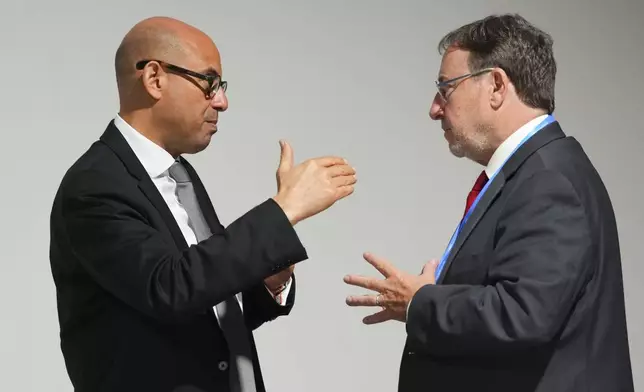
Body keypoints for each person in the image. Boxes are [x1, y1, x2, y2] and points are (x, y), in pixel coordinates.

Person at [49, 16, 356, 392]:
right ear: (155, 79)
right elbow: (169, 288)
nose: (222, 102)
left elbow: (206, 303)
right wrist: (284, 208)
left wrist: (267, 282)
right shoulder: (94, 185)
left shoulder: (181, 175)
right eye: (210, 83)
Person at [343, 13, 634, 392]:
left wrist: (420, 303)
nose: (434, 108)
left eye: (446, 88)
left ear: (496, 85)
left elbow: (522, 314)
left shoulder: (547, 179)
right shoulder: (536, 172)